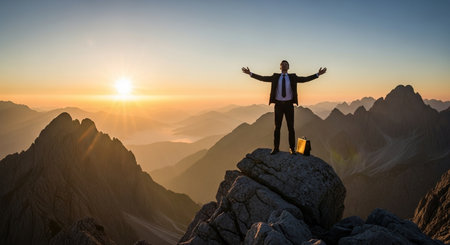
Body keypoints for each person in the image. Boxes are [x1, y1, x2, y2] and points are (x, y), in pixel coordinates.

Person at [242, 60, 326, 155]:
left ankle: (292, 149)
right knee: (277, 127)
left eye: (286, 64)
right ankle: (276, 148)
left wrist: (317, 74)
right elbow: (263, 78)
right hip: (278, 105)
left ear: (288, 67)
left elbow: (304, 79)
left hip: (289, 105)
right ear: (280, 67)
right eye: (283, 64)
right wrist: (250, 74)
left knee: (291, 128)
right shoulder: (275, 77)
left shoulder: (293, 77)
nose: (284, 66)